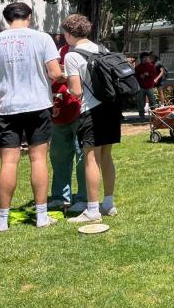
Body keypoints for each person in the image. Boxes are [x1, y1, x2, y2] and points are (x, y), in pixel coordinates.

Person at [0, 2, 63, 231]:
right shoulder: (42, 39)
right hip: (38, 104)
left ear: (7, 18)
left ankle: (2, 220)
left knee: (8, 162)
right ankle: (41, 216)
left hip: (7, 106)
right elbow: (55, 73)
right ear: (29, 16)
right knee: (38, 159)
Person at [61, 14, 121, 223]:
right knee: (106, 156)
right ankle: (109, 203)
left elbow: (76, 91)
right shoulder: (102, 49)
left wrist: (65, 87)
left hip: (92, 110)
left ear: (68, 34)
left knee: (91, 158)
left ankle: (93, 210)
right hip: (112, 108)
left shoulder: (71, 55)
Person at [47, 43, 87, 213]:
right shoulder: (57, 50)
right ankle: (59, 197)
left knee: (82, 156)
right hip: (58, 113)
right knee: (58, 157)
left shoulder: (83, 50)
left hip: (79, 112)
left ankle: (83, 197)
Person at [134, 52, 158, 119]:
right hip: (140, 86)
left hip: (149, 86)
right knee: (140, 101)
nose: (147, 59)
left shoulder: (152, 66)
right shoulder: (137, 67)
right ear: (141, 59)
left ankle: (154, 115)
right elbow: (135, 77)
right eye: (145, 58)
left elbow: (154, 75)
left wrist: (148, 74)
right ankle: (141, 115)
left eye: (147, 58)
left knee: (152, 100)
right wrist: (139, 76)